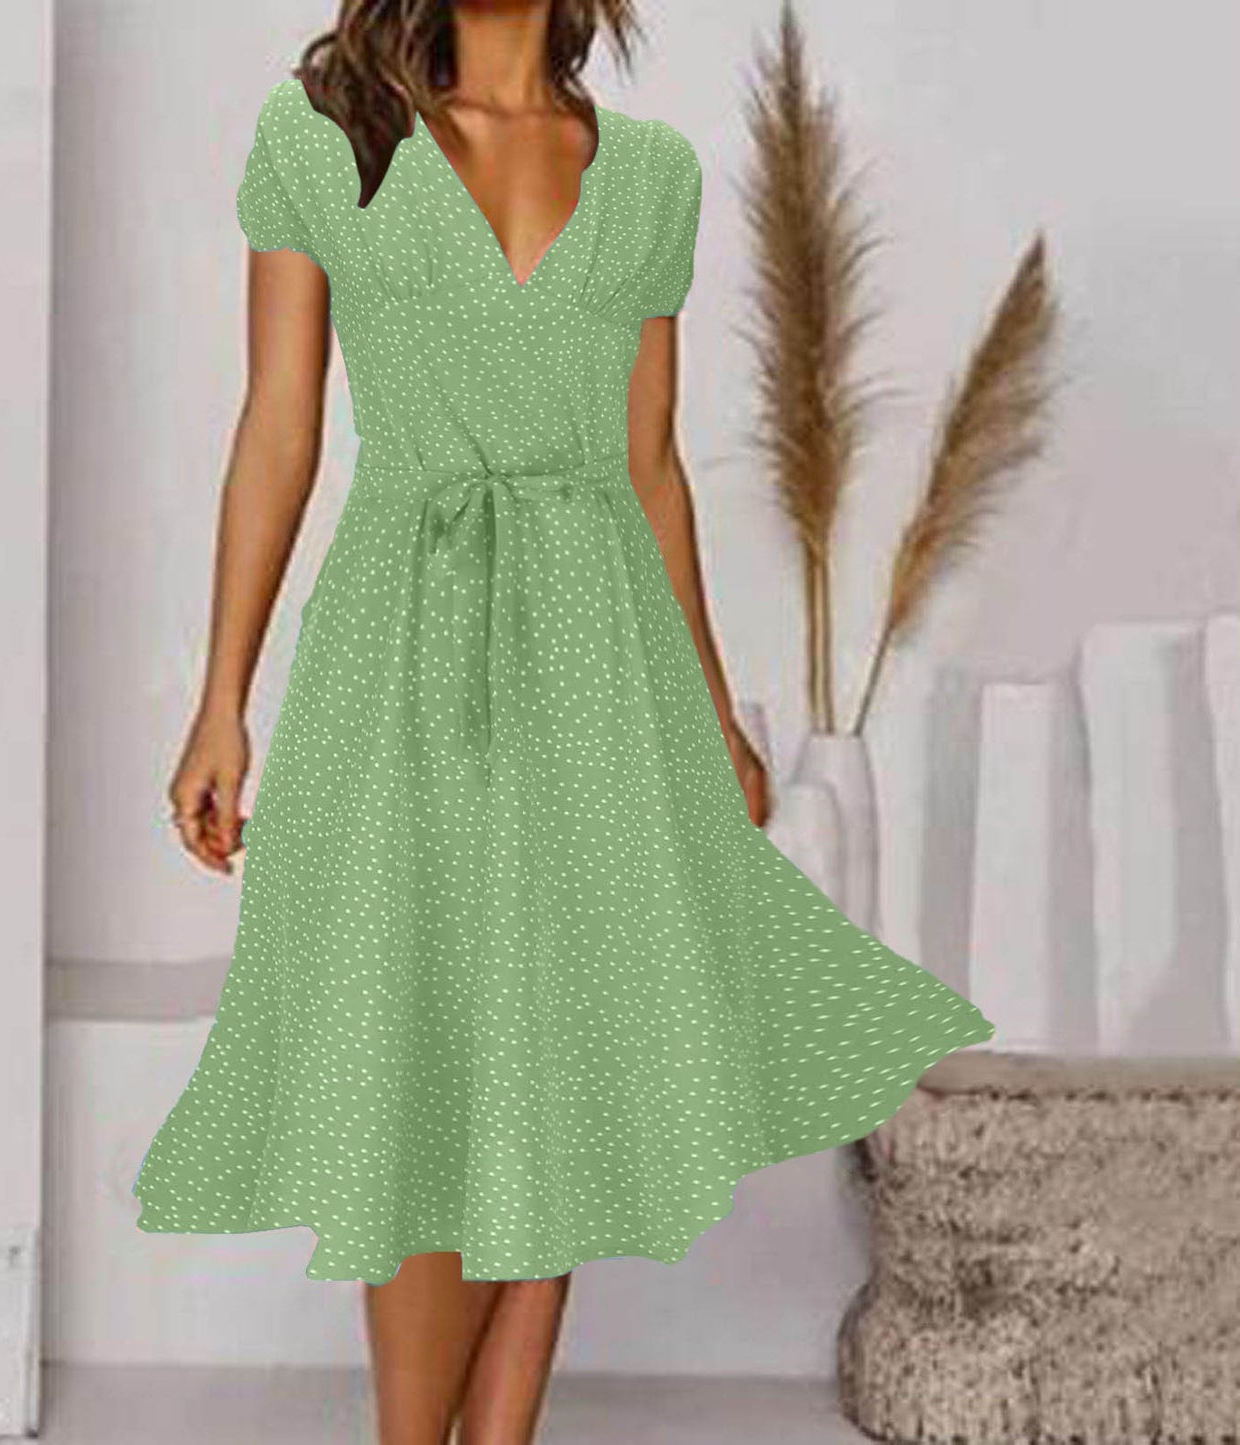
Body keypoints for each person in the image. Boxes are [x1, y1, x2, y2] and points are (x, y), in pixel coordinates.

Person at [131, 3, 997, 1441]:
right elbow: (277, 422)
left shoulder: (646, 176)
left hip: (596, 661)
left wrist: (709, 708)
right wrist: (219, 699)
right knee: (424, 1068)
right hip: (402, 649)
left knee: (555, 1059)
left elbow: (649, 466)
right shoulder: (329, 138)